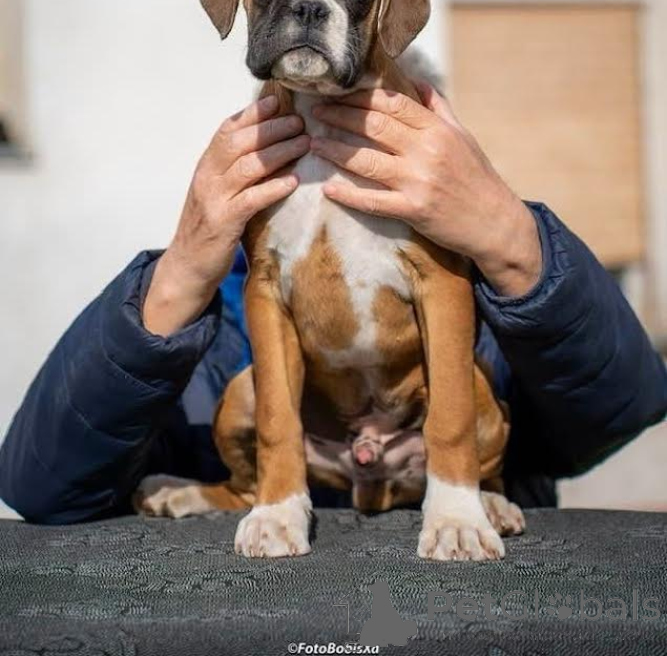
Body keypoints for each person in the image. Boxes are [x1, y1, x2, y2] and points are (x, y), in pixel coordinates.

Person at [1, 84, 665, 524]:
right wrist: (176, 278)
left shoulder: (471, 295)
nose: (339, 187)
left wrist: (513, 242)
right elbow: (40, 487)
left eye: (377, 163)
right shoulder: (212, 332)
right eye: (311, 152)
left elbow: (627, 404)